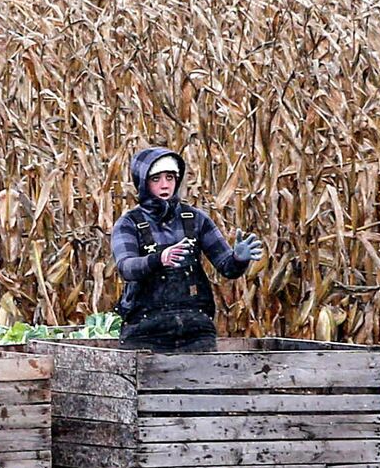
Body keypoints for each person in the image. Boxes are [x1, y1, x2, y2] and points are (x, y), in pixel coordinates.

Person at [110, 146, 266, 352]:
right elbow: (126, 267)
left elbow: (227, 268)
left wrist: (238, 258)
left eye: (170, 177)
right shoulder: (129, 223)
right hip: (145, 333)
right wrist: (159, 259)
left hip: (196, 331)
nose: (165, 185)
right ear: (143, 183)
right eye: (156, 179)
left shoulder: (195, 219)